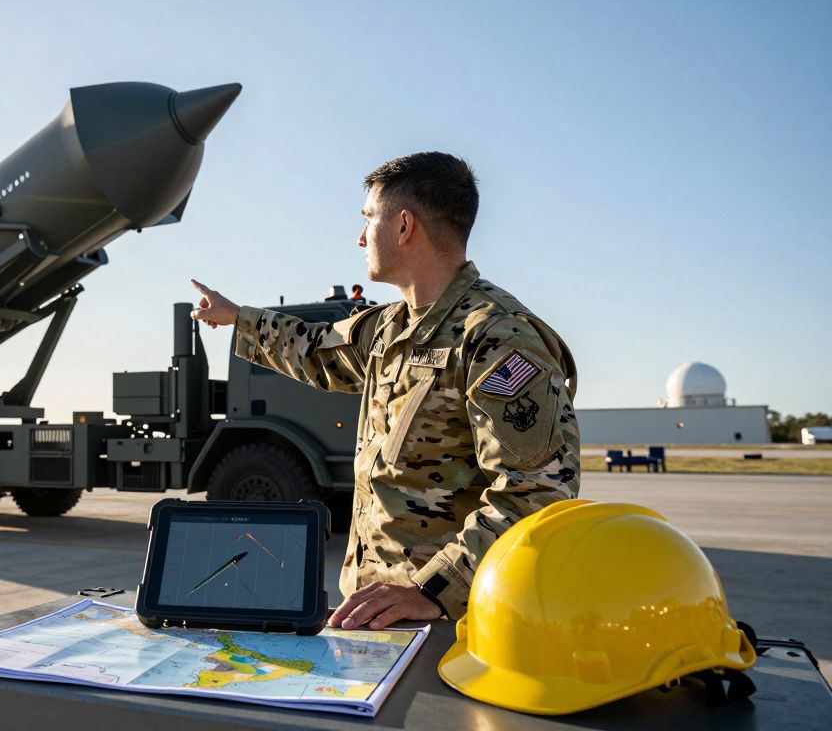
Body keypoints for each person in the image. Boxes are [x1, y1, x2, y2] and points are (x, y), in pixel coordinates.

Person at [189, 152, 580, 629]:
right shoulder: (391, 329)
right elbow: (317, 351)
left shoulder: (498, 339)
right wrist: (239, 318)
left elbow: (536, 493)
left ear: (403, 225)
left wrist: (433, 591)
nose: (359, 237)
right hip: (376, 613)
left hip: (451, 622)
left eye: (368, 218)